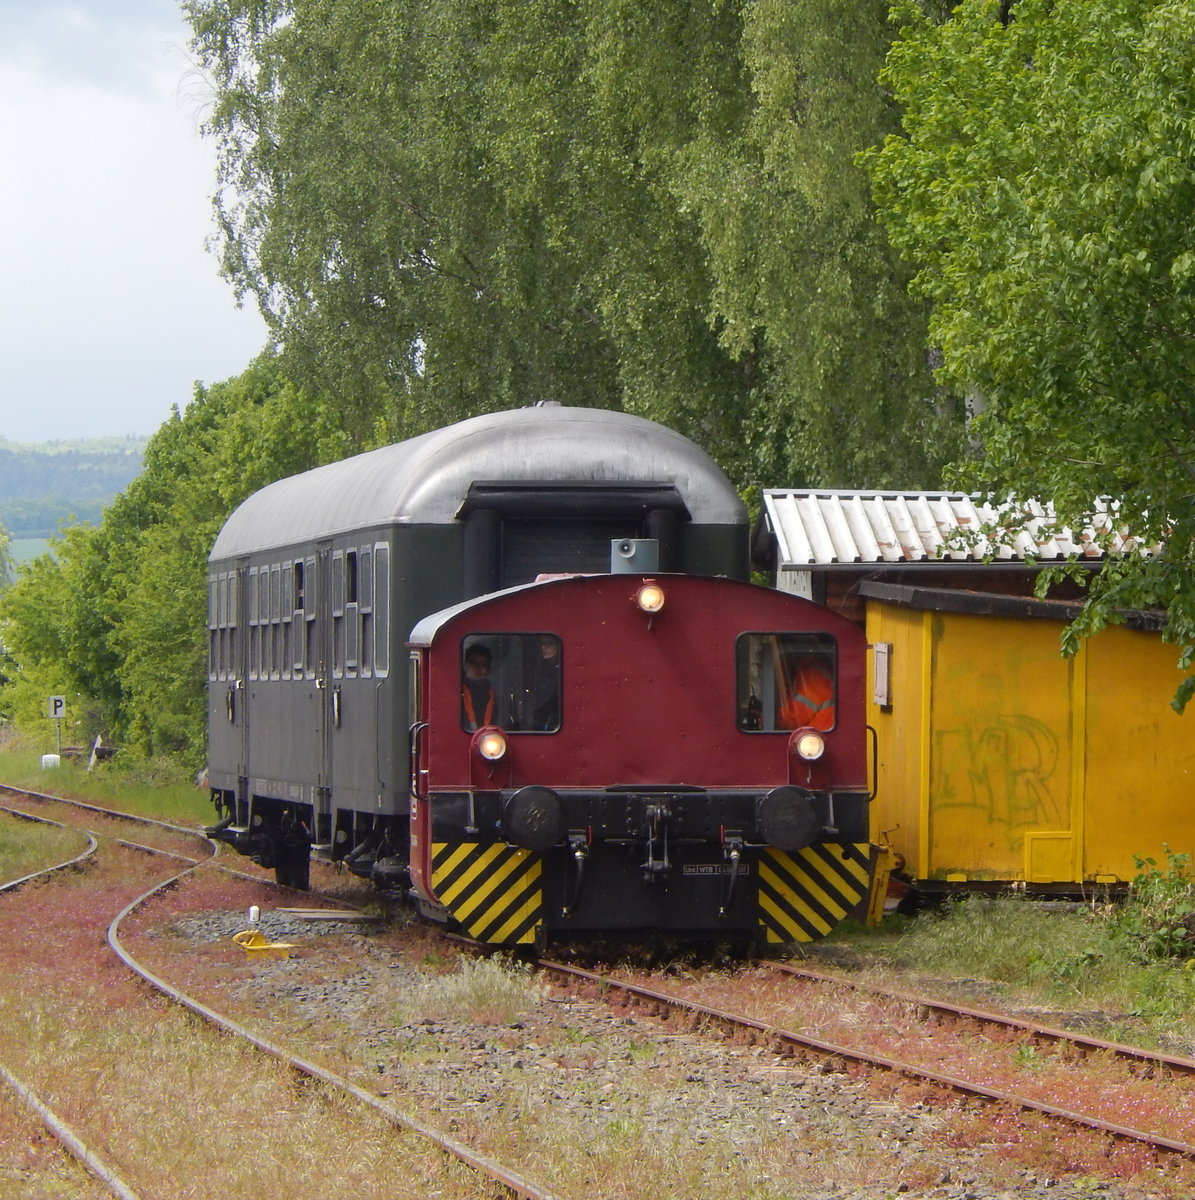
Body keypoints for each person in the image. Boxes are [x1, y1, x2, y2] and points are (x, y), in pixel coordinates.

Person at [778, 655, 835, 730]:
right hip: (821, 731)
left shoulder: (809, 678)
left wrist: (774, 719)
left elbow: (794, 717)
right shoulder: (821, 673)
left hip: (816, 735)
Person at [525, 635, 561, 730]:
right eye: (542, 644)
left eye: (548, 644)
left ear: (558, 646)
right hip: (540, 714)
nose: (544, 648)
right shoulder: (538, 670)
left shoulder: (560, 670)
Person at [461, 643, 495, 731]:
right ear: (465, 665)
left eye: (483, 664)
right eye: (473, 662)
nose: (477, 667)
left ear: (489, 668)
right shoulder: (456, 690)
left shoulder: (491, 693)